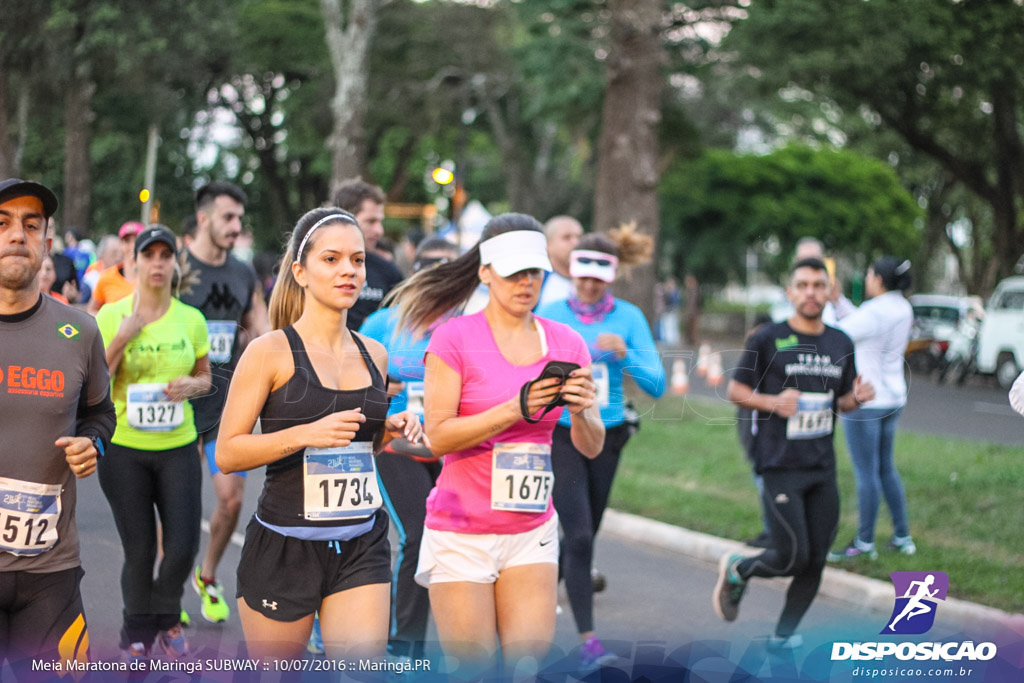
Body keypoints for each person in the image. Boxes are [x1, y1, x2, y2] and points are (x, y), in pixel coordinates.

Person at [389, 213, 605, 674]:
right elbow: (440, 438)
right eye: (513, 272)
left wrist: (585, 410)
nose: (525, 283)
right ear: (486, 272)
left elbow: (590, 447)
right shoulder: (454, 339)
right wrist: (515, 408)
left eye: (534, 271)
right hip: (461, 533)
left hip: (530, 531)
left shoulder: (567, 343)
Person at [215, 207, 423, 661]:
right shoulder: (269, 352)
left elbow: (361, 448)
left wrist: (386, 430)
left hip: (360, 543)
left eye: (357, 259)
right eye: (331, 259)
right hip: (285, 546)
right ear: (301, 272)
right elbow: (228, 453)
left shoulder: (376, 355)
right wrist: (307, 433)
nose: (349, 269)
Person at [715, 257, 874, 650]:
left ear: (829, 291)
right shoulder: (767, 338)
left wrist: (855, 399)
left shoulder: (840, 342)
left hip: (821, 466)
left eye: (819, 285)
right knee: (791, 556)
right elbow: (735, 391)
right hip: (779, 465)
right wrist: (773, 402)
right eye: (802, 285)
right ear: (790, 293)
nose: (810, 292)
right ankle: (739, 569)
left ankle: (782, 637)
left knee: (815, 559)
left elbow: (838, 402)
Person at [0, 178, 115, 671]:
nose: (16, 236)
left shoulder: (80, 332)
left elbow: (100, 415)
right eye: (1, 224)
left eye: (30, 225)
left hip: (50, 572)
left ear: (47, 243)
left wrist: (93, 444)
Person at [536, 226, 664, 668]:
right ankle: (588, 641)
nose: (589, 285)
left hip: (608, 436)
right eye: (582, 275)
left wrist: (626, 353)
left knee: (581, 532)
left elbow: (658, 385)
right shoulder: (549, 312)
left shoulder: (628, 317)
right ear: (571, 270)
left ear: (611, 276)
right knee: (581, 534)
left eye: (598, 277)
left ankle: (535, 608)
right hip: (562, 433)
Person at [95, 225, 212, 660]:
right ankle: (138, 631)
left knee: (182, 546)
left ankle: (165, 615)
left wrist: (190, 386)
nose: (158, 263)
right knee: (140, 549)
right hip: (124, 446)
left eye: (166, 255)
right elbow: (95, 385)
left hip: (177, 444)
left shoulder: (191, 319)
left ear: (174, 263)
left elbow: (205, 380)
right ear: (135, 262)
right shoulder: (110, 316)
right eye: (151, 255)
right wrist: (124, 336)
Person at [359, 237, 459, 661]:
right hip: (398, 444)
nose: (441, 276)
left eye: (451, 268)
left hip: (451, 445)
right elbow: (348, 382)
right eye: (432, 267)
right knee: (417, 534)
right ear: (416, 272)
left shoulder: (464, 328)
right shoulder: (384, 324)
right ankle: (404, 646)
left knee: (454, 542)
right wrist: (380, 388)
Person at [178, 181, 270, 625]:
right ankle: (166, 589)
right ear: (203, 218)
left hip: (223, 406)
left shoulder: (242, 273)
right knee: (172, 504)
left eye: (239, 219)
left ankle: (208, 574)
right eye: (228, 217)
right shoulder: (174, 267)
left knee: (232, 500)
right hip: (175, 403)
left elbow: (263, 327)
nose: (236, 226)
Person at [828, 257, 916, 561]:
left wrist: (828, 305)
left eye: (868, 273)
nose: (866, 277)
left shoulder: (875, 311)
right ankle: (902, 536)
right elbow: (862, 323)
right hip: (893, 397)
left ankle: (864, 543)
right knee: (885, 468)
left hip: (866, 401)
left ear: (878, 279)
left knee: (867, 474)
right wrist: (838, 300)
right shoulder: (901, 307)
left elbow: (836, 335)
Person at [332, 179, 404, 330]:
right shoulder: (314, 266)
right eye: (371, 221)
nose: (379, 231)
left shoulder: (388, 272)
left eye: (379, 221)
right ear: (345, 218)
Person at [88, 221, 143, 314]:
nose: (132, 245)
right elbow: (91, 310)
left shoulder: (152, 276)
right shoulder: (106, 277)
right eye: (127, 241)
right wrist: (106, 324)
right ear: (121, 245)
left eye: (137, 240)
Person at [537, 215, 583, 307]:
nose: (575, 243)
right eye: (566, 237)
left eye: (579, 237)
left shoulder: (593, 282)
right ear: (547, 245)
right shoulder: (536, 281)